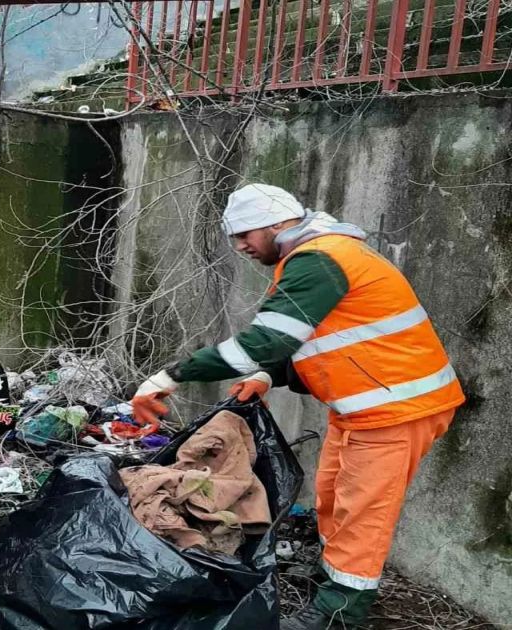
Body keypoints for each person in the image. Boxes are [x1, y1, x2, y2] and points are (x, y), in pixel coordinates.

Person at [130, 184, 464, 630]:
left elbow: (264, 341)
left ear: (277, 225)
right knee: (332, 495)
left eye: (245, 234)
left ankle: (338, 613)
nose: (241, 246)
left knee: (363, 512)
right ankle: (335, 580)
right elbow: (324, 340)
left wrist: (169, 376)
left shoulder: (319, 260)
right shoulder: (322, 256)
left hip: (398, 411)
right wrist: (268, 376)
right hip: (368, 407)